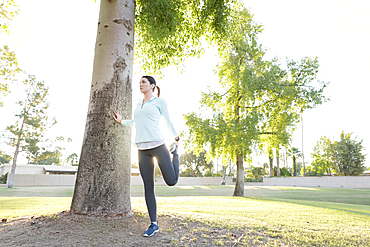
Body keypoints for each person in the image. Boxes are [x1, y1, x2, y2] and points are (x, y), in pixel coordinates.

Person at [113, 75, 179, 237]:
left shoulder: (159, 102)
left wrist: (176, 138)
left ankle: (175, 155)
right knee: (148, 187)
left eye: (144, 82)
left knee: (171, 181)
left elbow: (167, 121)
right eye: (140, 82)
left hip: (158, 145)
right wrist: (122, 121)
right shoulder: (138, 104)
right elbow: (136, 122)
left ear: (152, 86)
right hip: (142, 150)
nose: (140, 84)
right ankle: (153, 224)